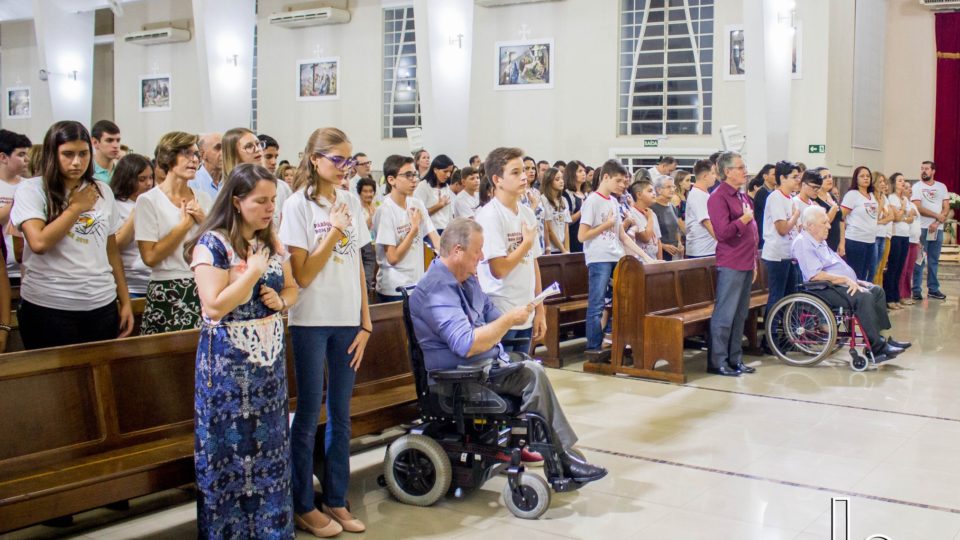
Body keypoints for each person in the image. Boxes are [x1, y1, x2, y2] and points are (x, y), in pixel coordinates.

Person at [409, 218, 607, 484]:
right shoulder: (436, 290)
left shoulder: (466, 281)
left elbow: (492, 315)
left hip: (483, 369)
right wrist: (507, 321)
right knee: (531, 374)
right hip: (456, 380)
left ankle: (561, 455)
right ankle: (562, 458)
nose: (481, 257)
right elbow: (466, 345)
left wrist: (517, 314)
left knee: (531, 369)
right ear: (457, 250)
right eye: (477, 250)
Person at [187, 163, 298, 539]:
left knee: (270, 452)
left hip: (267, 367)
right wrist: (251, 275)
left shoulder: (270, 242)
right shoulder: (212, 244)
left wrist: (280, 300)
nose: (270, 208)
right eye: (260, 201)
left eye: (273, 201)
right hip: (227, 369)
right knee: (231, 456)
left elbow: (293, 288)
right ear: (236, 202)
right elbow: (214, 306)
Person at [279, 128, 371, 537]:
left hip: (348, 318)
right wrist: (333, 231)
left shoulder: (350, 200)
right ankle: (302, 504)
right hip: (311, 320)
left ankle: (335, 498)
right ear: (314, 159)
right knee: (306, 416)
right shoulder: (297, 206)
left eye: (348, 160)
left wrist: (366, 321)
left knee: (341, 414)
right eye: (336, 159)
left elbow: (357, 266)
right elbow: (300, 275)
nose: (344, 168)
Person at [11, 120, 134, 349]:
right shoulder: (33, 189)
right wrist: (75, 208)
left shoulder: (102, 190)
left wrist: (124, 301)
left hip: (101, 301)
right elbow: (38, 243)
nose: (77, 162)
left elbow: (111, 250)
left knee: (99, 378)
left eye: (83, 154)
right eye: (67, 154)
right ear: (52, 154)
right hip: (50, 303)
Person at [792, 205, 910, 362]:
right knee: (864, 297)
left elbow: (836, 265)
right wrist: (846, 280)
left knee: (876, 291)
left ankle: (880, 339)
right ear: (811, 226)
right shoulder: (803, 243)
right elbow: (815, 275)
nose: (829, 226)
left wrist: (855, 280)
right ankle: (876, 348)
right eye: (824, 222)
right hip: (821, 288)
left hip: (836, 284)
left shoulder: (819, 240)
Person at [135, 131, 213, 334]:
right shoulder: (149, 201)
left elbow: (218, 244)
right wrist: (183, 227)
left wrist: (204, 221)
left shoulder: (203, 198)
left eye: (196, 154)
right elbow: (149, 257)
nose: (194, 160)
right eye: (186, 153)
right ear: (169, 157)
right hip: (166, 287)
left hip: (201, 284)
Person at [579, 160, 655, 363]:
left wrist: (646, 257)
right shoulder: (592, 201)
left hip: (616, 255)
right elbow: (582, 236)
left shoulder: (613, 201)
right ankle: (593, 348)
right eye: (619, 181)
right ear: (605, 177)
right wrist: (606, 224)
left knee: (624, 300)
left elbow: (623, 236)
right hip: (598, 258)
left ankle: (612, 338)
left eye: (624, 181)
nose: (623, 185)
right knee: (597, 304)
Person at [475, 147, 545, 355]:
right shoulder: (490, 216)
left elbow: (533, 264)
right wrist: (526, 243)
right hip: (500, 310)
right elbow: (499, 269)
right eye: (515, 173)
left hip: (526, 309)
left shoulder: (526, 213)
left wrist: (539, 308)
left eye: (523, 171)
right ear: (497, 179)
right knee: (501, 376)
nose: (524, 177)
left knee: (521, 375)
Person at [706, 151, 758, 376]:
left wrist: (754, 261)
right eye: (740, 167)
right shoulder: (718, 197)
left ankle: (735, 359)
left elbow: (752, 233)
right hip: (731, 262)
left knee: (740, 315)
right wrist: (744, 220)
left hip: (746, 261)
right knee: (725, 314)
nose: (745, 171)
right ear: (727, 172)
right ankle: (718, 361)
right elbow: (722, 233)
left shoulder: (742, 196)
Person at [374, 155, 440, 302]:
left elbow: (435, 238)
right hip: (394, 289)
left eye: (415, 174)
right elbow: (393, 258)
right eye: (408, 175)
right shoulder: (385, 210)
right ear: (391, 180)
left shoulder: (416, 203)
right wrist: (414, 229)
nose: (414, 179)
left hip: (416, 285)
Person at [224, 128, 291, 229]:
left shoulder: (278, 185)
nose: (257, 149)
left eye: (258, 144)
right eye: (249, 146)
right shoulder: (226, 190)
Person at [761, 161, 802, 320]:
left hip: (789, 254)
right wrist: (795, 216)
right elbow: (783, 228)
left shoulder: (790, 198)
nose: (797, 180)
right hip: (777, 255)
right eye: (794, 177)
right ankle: (771, 338)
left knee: (790, 296)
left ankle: (786, 337)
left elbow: (794, 228)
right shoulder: (775, 197)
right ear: (782, 178)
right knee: (777, 297)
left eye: (798, 177)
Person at [111, 154, 154, 298]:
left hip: (153, 282)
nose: (148, 183)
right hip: (130, 286)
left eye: (150, 178)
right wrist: (138, 209)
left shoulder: (154, 203)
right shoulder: (115, 205)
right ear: (127, 179)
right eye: (142, 179)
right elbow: (117, 244)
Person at [911, 160, 950, 301]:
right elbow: (918, 207)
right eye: (922, 168)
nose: (924, 171)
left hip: (937, 229)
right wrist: (936, 216)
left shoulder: (941, 187)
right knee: (919, 260)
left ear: (933, 171)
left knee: (933, 260)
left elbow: (946, 207)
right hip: (921, 228)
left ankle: (933, 289)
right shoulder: (917, 187)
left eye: (927, 168)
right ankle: (916, 289)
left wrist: (938, 221)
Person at [0, 129, 31, 285]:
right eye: (20, 155)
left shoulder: (30, 186)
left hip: (26, 269)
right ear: (3, 157)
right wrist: (17, 201)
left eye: (26, 154)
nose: (27, 159)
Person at [840, 166, 879, 280]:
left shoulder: (872, 195)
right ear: (856, 179)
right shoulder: (852, 195)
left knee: (864, 275)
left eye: (868, 176)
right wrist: (842, 242)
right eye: (862, 176)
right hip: (855, 240)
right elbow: (841, 217)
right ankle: (853, 297)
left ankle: (861, 297)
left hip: (870, 240)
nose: (866, 178)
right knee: (855, 274)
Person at [883, 173, 913, 309]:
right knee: (893, 267)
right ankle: (889, 298)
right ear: (894, 183)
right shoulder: (892, 198)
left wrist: (903, 215)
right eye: (900, 180)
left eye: (903, 180)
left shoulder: (905, 199)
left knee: (900, 268)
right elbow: (896, 217)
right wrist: (902, 210)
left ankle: (896, 296)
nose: (902, 182)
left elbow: (911, 216)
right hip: (895, 235)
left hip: (905, 235)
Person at [414, 154, 455, 235]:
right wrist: (439, 205)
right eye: (445, 171)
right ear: (435, 170)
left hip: (446, 230)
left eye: (450, 171)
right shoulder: (423, 186)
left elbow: (450, 214)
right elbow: (418, 214)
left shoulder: (446, 187)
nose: (448, 175)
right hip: (430, 232)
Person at [684, 160, 717, 259]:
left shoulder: (704, 194)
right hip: (701, 251)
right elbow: (707, 222)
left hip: (709, 249)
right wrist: (724, 242)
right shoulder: (697, 195)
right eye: (713, 173)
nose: (715, 176)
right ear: (705, 176)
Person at [626, 179, 662, 260]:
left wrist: (660, 262)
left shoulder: (651, 213)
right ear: (639, 195)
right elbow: (646, 238)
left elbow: (658, 241)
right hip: (640, 261)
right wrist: (650, 218)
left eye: (653, 191)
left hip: (654, 260)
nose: (654, 193)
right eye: (650, 191)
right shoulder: (632, 213)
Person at [870, 172, 896, 284]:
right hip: (874, 236)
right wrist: (880, 204)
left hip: (883, 235)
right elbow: (874, 216)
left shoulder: (884, 197)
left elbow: (891, 216)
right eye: (880, 182)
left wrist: (880, 221)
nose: (883, 184)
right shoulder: (870, 197)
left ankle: (879, 294)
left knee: (880, 268)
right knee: (873, 268)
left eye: (884, 181)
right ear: (874, 183)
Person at [651, 175, 683, 260]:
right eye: (668, 187)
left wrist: (679, 243)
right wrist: (663, 246)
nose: (672, 190)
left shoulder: (672, 206)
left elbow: (677, 229)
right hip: (660, 253)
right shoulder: (652, 208)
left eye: (673, 187)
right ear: (658, 190)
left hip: (675, 252)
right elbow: (651, 235)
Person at [900, 195, 923, 305]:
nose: (909, 189)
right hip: (906, 239)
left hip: (914, 240)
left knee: (910, 270)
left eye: (910, 187)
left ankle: (908, 294)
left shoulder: (913, 204)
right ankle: (901, 295)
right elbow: (904, 218)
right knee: (903, 270)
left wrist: (918, 240)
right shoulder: (901, 202)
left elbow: (917, 222)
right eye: (906, 187)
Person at [541, 167, 571, 253]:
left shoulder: (564, 200)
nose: (561, 181)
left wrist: (567, 250)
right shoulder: (543, 199)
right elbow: (549, 230)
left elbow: (566, 229)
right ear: (549, 181)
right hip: (552, 249)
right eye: (557, 179)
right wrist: (562, 250)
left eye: (562, 178)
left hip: (564, 249)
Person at [813, 167, 842, 252]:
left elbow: (841, 220)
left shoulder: (831, 195)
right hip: (823, 242)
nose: (829, 179)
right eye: (825, 177)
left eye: (830, 176)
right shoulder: (814, 198)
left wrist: (842, 243)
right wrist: (834, 207)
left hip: (836, 241)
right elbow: (825, 222)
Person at [187, 132, 223, 199]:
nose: (223, 152)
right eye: (218, 148)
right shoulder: (192, 182)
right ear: (202, 154)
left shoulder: (231, 180)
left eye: (225, 148)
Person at [357, 177, 378, 291]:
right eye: (365, 191)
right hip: (365, 246)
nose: (368, 194)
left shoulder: (379, 206)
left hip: (378, 245)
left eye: (371, 191)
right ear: (359, 193)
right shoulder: (357, 209)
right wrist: (370, 218)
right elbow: (361, 231)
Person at [562, 160, 587, 252]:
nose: (584, 173)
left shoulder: (586, 194)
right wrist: (582, 210)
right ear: (572, 174)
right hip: (573, 239)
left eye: (584, 171)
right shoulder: (566, 195)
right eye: (580, 171)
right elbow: (567, 221)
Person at [751, 163, 777, 249]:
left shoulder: (774, 193)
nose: (776, 177)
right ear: (765, 176)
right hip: (764, 237)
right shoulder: (762, 193)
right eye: (773, 174)